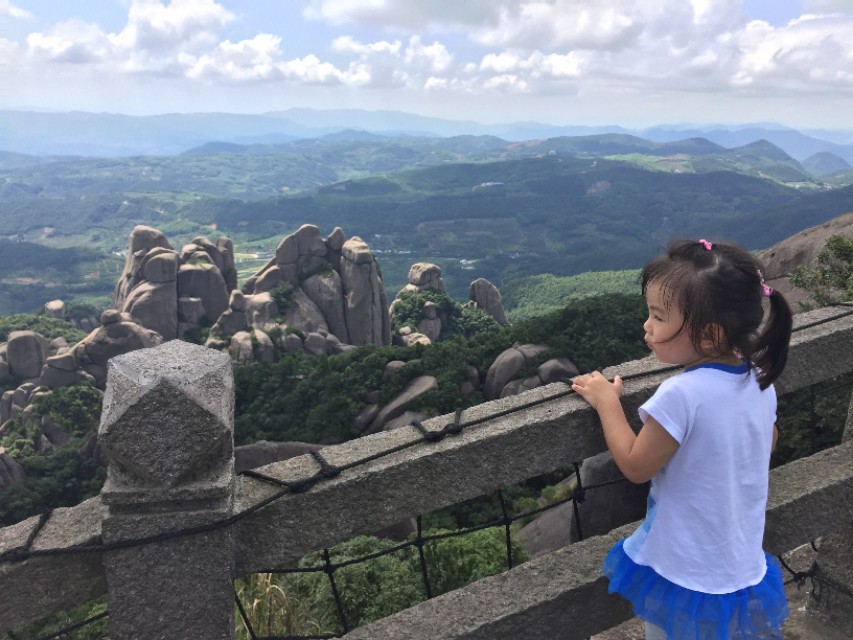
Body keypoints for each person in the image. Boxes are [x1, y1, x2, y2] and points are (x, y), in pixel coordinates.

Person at [571, 238, 793, 639]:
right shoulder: (758, 380)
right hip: (738, 562)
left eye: (658, 316)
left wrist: (607, 402)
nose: (647, 325)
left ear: (708, 336)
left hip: (686, 568)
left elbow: (637, 467)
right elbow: (767, 443)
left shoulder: (681, 395)